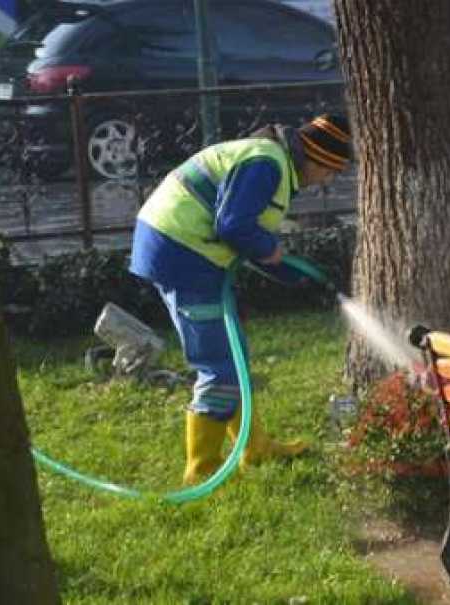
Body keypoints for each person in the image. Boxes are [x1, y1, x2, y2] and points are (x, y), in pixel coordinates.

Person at [129, 114, 353, 485]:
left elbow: (246, 236)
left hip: (187, 251)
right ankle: (202, 471)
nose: (327, 181)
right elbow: (233, 226)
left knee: (231, 354)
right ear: (316, 160)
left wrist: (295, 275)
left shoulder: (272, 162)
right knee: (218, 364)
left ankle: (255, 447)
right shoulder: (267, 164)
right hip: (183, 255)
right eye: (330, 172)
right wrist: (271, 251)